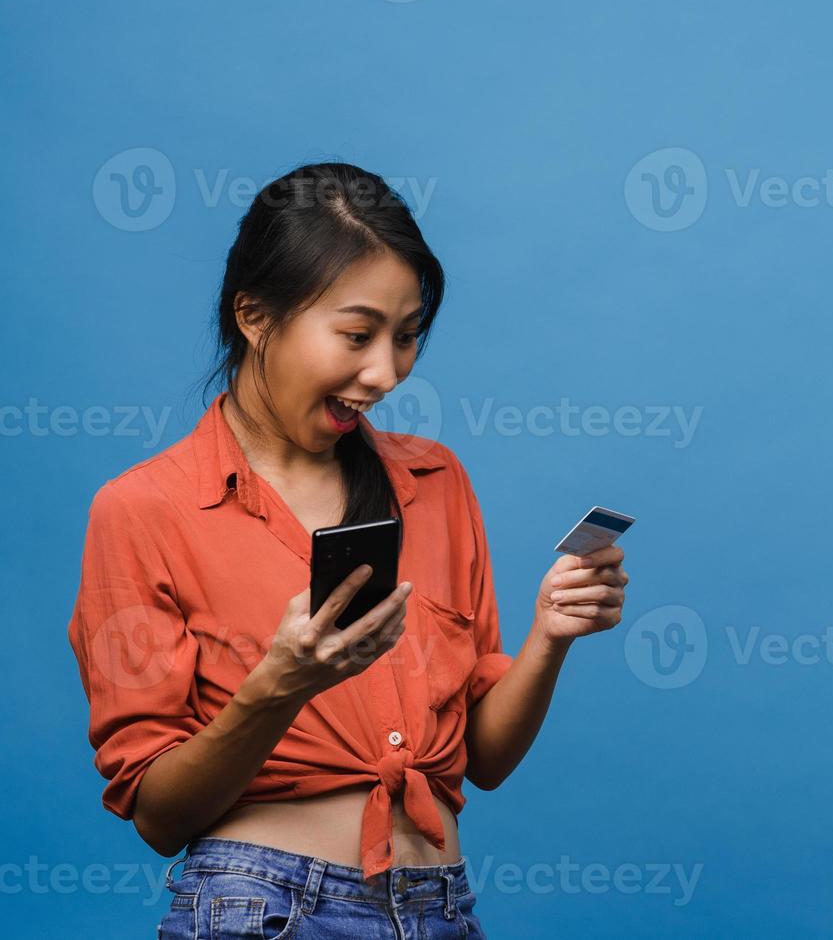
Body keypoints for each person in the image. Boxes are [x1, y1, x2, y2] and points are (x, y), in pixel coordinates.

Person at [65, 161, 629, 938]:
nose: (385, 372)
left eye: (406, 339)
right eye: (358, 335)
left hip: (440, 908)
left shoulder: (436, 482)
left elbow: (485, 761)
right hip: (265, 908)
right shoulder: (143, 511)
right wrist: (277, 686)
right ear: (255, 316)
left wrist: (550, 636)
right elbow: (160, 816)